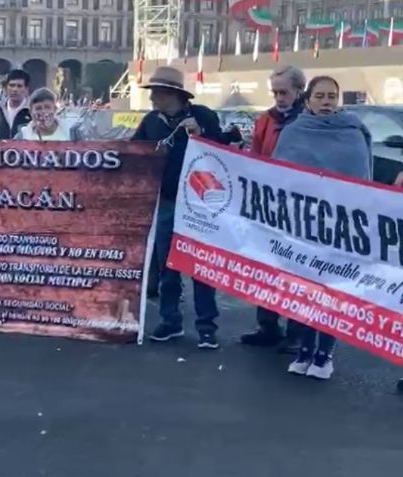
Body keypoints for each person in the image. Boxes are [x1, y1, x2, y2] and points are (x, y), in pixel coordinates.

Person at [274, 76, 372, 380]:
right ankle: (305, 348)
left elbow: (362, 178)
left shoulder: (353, 132)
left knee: (332, 290)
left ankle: (324, 354)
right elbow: (278, 176)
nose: (327, 101)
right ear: (308, 100)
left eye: (332, 96)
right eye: (320, 96)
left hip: (340, 226)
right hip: (303, 223)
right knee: (306, 289)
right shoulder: (293, 132)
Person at [132, 66, 225, 349]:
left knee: (201, 266)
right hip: (168, 200)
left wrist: (202, 134)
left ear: (172, 94)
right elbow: (134, 151)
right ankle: (169, 321)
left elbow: (222, 152)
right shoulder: (151, 121)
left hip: (199, 204)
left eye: (156, 93)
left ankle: (206, 326)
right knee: (168, 265)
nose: (152, 99)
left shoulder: (204, 116)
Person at [241, 64, 307, 352]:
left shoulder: (309, 120)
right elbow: (255, 155)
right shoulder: (265, 120)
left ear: (299, 91)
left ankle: (296, 331)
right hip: (269, 203)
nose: (279, 98)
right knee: (267, 265)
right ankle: (267, 324)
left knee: (297, 270)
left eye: (284, 92)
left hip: (300, 205)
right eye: (275, 92)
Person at [0, 69, 32, 140]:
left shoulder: (32, 111)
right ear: (6, 87)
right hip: (0, 150)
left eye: (19, 86)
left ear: (26, 89)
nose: (15, 89)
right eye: (12, 85)